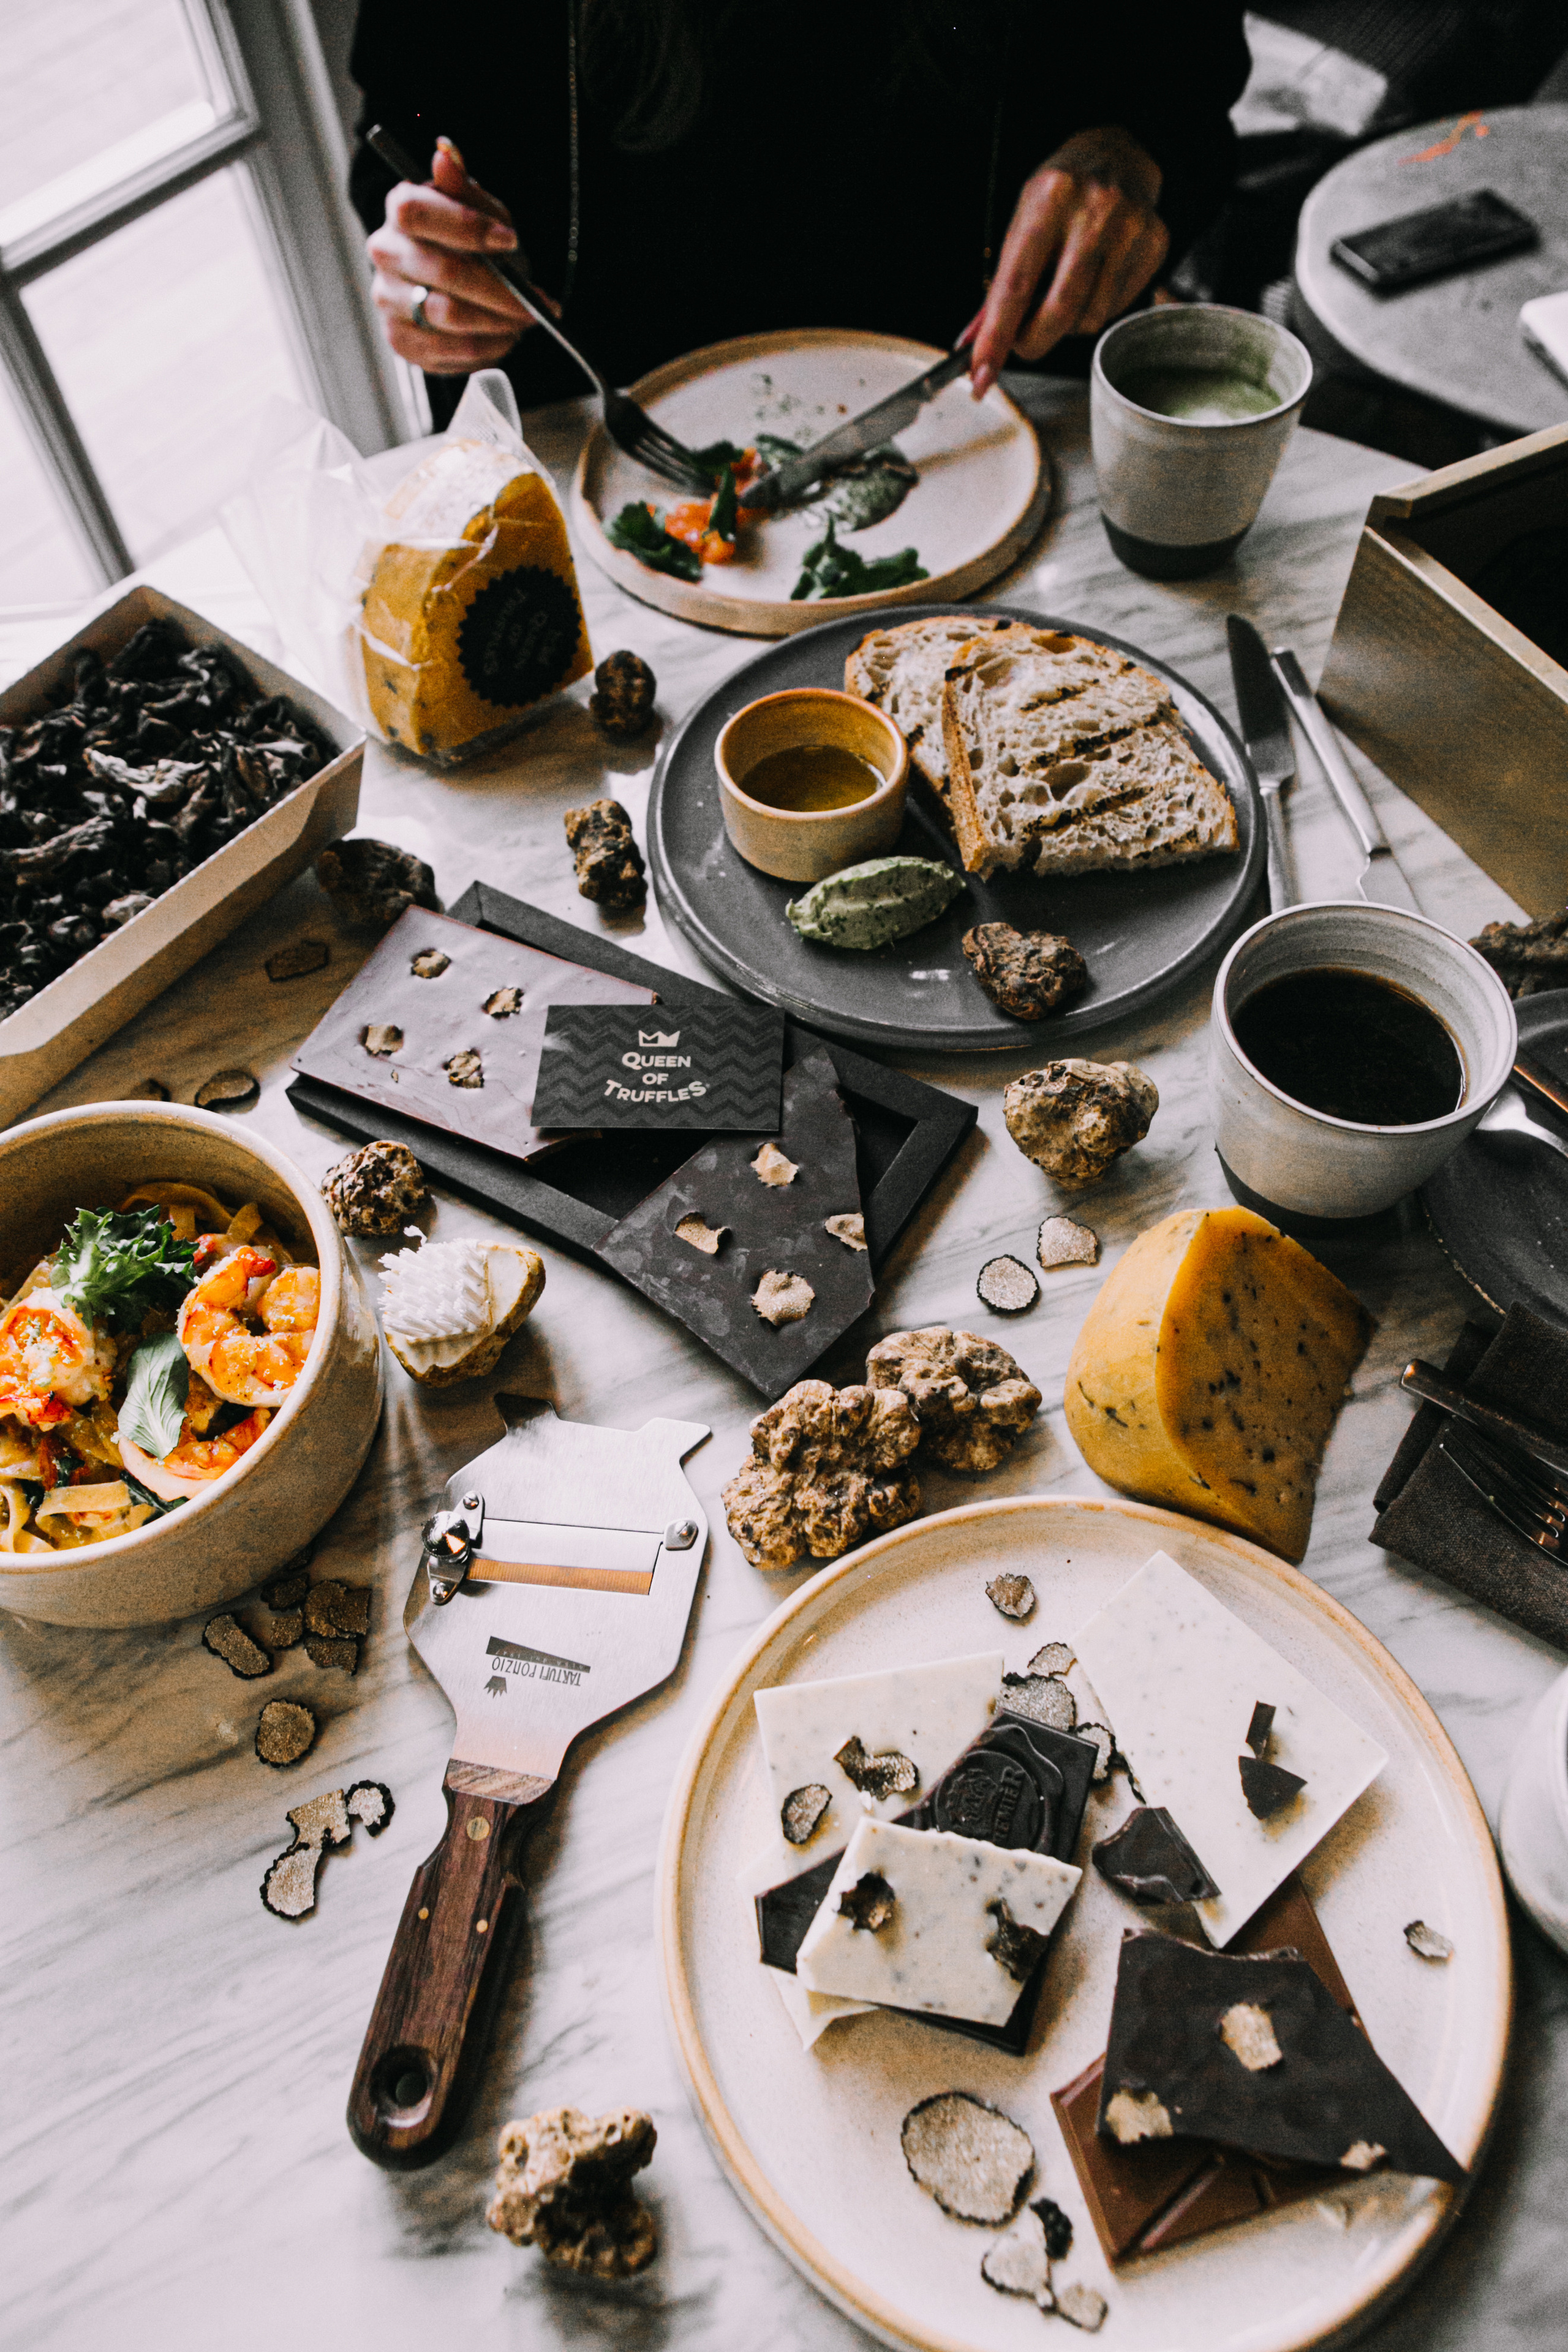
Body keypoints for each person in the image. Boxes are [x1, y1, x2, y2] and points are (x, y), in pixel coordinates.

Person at [349, 2, 1250, 425]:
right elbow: (407, 125)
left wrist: (1137, 155)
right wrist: (429, 264)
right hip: (598, 430)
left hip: (1007, 404)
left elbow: (1187, 72)